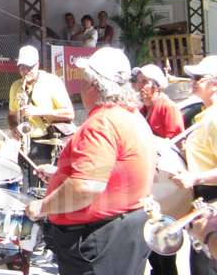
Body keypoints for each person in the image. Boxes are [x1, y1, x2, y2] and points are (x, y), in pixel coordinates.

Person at [25, 47, 155, 275]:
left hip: (98, 241)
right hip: (122, 234)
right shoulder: (131, 116)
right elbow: (113, 171)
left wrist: (41, 207)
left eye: (83, 82)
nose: (80, 88)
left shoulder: (102, 123)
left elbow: (86, 187)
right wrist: (60, 174)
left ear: (93, 85)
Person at [132, 64, 184, 275]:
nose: (140, 86)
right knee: (152, 242)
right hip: (150, 183)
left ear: (157, 85)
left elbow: (175, 145)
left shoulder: (167, 107)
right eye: (139, 82)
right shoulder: (142, 110)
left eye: (145, 82)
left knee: (164, 243)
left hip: (165, 184)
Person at [172, 55, 217, 275]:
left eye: (199, 78)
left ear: (214, 83)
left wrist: (195, 177)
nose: (193, 81)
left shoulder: (214, 118)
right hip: (203, 198)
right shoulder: (205, 115)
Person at [8, 45, 75, 189]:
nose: (25, 72)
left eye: (29, 68)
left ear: (38, 64)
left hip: (45, 143)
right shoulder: (16, 86)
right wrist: (13, 128)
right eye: (22, 68)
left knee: (40, 189)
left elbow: (69, 113)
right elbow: (12, 114)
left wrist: (39, 111)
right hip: (25, 145)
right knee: (24, 190)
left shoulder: (52, 82)